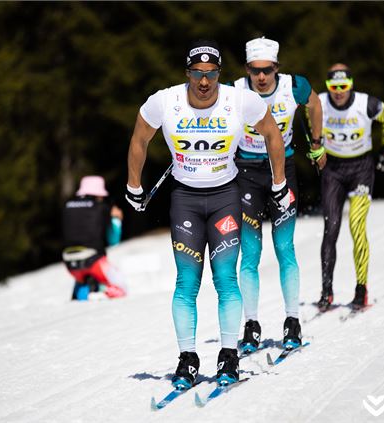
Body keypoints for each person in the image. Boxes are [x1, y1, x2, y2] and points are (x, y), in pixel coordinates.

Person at [125, 40, 288, 388]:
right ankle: (187, 357)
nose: (204, 81)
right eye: (197, 74)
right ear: (188, 74)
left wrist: (279, 182)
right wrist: (133, 186)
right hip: (185, 200)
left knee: (225, 278)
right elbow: (140, 138)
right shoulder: (165, 101)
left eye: (211, 74)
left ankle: (229, 355)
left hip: (226, 198)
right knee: (186, 283)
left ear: (219, 74)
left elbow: (273, 134)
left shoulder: (238, 100)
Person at [231, 37, 323, 352]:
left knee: (285, 247)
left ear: (276, 68)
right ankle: (251, 324)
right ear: (247, 69)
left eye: (267, 70)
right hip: (245, 174)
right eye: (255, 70)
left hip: (283, 172)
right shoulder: (234, 90)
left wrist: (317, 141)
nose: (261, 77)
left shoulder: (294, 86)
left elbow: (315, 103)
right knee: (250, 254)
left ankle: (292, 320)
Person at [315, 63, 384, 311]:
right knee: (331, 228)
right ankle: (327, 291)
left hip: (361, 169)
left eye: (343, 86)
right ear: (327, 86)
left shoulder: (366, 104)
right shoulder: (319, 103)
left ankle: (361, 289)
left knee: (356, 226)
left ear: (351, 85)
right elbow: (308, 121)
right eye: (333, 86)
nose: (338, 91)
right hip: (333, 171)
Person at [61, 175, 127, 301]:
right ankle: (99, 293)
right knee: (121, 289)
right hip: (94, 261)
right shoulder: (101, 207)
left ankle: (83, 293)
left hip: (70, 263)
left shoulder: (68, 206)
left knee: (82, 283)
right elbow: (113, 240)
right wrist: (116, 220)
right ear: (99, 194)